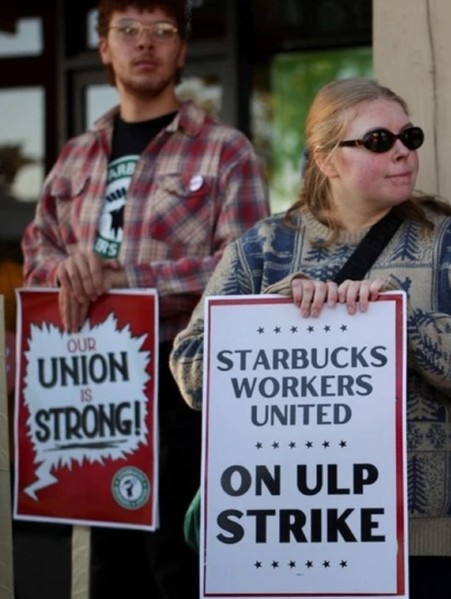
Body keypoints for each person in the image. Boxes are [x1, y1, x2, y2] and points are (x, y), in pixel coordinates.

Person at [169, 77, 451, 599]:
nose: (404, 152)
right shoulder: (262, 250)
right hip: (292, 525)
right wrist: (274, 316)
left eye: (411, 137)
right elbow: (192, 372)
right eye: (380, 141)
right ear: (327, 158)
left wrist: (401, 324)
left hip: (428, 538)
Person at [20, 1, 270, 597]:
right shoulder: (76, 155)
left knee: (179, 566)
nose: (145, 43)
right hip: (90, 376)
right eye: (127, 30)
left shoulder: (224, 150)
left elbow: (247, 269)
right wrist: (69, 270)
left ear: (182, 51)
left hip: (179, 382)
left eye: (163, 31)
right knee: (110, 566)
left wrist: (125, 277)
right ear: (104, 47)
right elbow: (37, 254)